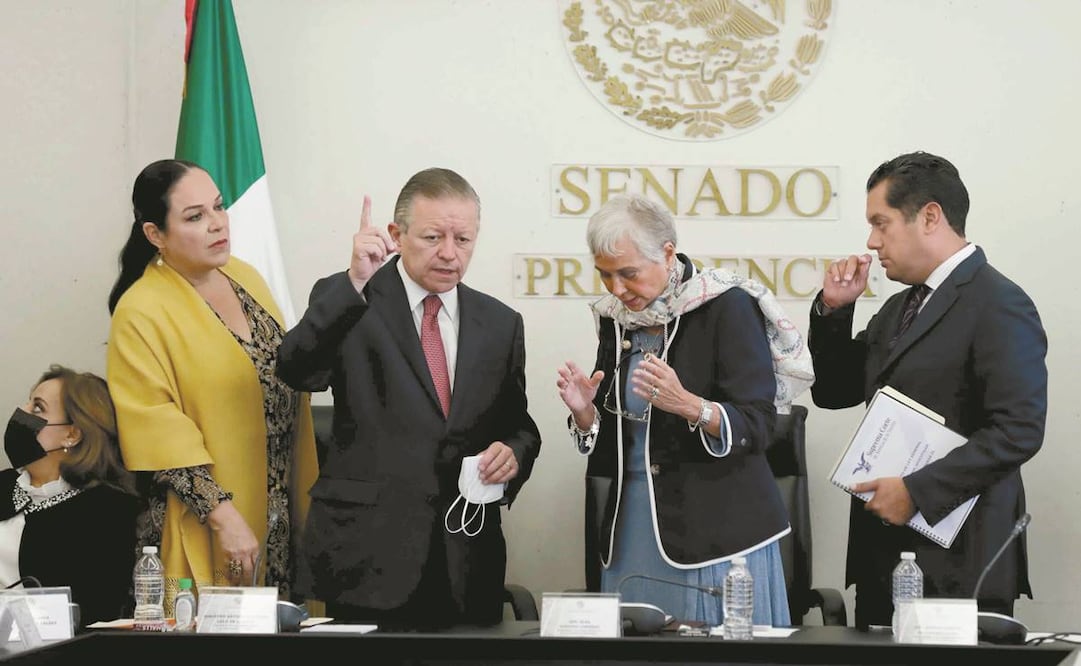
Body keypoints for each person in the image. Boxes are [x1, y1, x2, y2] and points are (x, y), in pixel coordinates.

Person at [276, 167, 542, 628]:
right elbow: (295, 370)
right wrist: (355, 281)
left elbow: (518, 426)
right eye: (433, 236)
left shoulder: (500, 323)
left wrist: (514, 455)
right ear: (396, 235)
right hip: (367, 558)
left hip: (464, 556)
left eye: (463, 240)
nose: (449, 254)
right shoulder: (353, 299)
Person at [808, 151, 1047, 628]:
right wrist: (835, 312)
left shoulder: (999, 302)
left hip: (960, 562)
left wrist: (917, 491)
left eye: (882, 223)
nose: (872, 242)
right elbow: (834, 391)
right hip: (885, 554)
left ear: (930, 217)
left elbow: (1018, 430)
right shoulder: (900, 307)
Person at [556, 193, 814, 627]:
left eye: (628, 273)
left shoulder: (726, 306)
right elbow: (620, 435)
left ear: (668, 253)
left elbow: (761, 422)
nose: (617, 289)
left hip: (717, 536)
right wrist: (586, 415)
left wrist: (690, 406)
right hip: (630, 530)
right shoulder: (615, 318)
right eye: (605, 275)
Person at [105, 159, 319, 612]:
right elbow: (157, 431)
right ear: (154, 235)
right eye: (195, 216)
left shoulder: (246, 277)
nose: (218, 224)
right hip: (208, 519)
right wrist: (224, 518)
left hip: (279, 506)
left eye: (218, 207)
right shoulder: (140, 310)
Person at [0, 365, 139, 628]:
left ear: (72, 434)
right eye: (28, 402)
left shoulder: (107, 511)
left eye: (38, 408)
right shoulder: (3, 484)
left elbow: (96, 607)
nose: (22, 413)